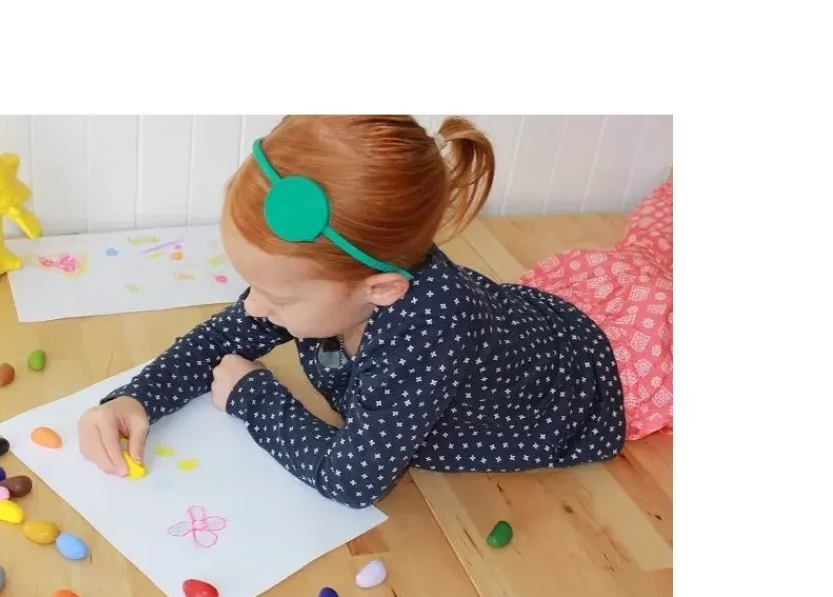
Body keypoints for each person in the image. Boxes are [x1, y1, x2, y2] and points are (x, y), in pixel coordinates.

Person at [78, 116, 658, 509]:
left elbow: (352, 479)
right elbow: (226, 337)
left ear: (379, 289)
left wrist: (254, 396)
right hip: (525, 329)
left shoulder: (427, 334)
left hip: (596, 383)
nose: (254, 307)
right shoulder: (327, 285)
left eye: (278, 299)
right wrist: (136, 398)